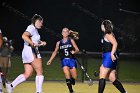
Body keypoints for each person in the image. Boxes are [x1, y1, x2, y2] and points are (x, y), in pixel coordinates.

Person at [6, 14, 46, 93]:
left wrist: (41, 42)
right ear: (37, 21)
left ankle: (11, 86)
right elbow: (24, 36)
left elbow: (33, 40)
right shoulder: (31, 27)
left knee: (28, 73)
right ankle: (39, 91)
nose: (42, 24)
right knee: (39, 71)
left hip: (26, 51)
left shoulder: (34, 29)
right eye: (41, 22)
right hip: (31, 50)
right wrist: (32, 44)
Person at [47, 28, 79, 93]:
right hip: (64, 60)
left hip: (72, 60)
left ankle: (72, 79)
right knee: (66, 74)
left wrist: (74, 52)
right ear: (61, 33)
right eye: (63, 32)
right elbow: (55, 52)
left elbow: (77, 49)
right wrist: (50, 60)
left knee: (74, 76)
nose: (64, 33)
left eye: (66, 32)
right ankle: (71, 91)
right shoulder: (59, 43)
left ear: (68, 33)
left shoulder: (71, 40)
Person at [98, 20, 127, 93]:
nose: (101, 26)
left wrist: (111, 53)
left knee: (102, 74)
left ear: (104, 26)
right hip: (108, 56)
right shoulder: (108, 34)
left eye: (102, 25)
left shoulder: (108, 34)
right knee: (112, 77)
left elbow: (115, 43)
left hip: (109, 56)